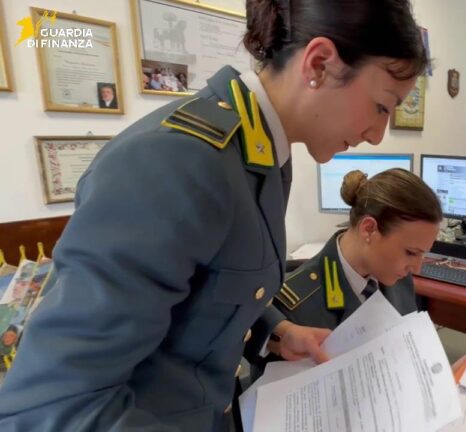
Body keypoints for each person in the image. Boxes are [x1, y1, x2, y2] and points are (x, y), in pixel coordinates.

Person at [0, 0, 427, 430]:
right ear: (318, 63)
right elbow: (54, 407)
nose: (377, 136)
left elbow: (216, 281)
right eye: (381, 106)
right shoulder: (176, 162)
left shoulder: (259, 151)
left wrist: (277, 332)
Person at [246, 168, 442, 378]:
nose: (417, 267)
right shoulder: (293, 305)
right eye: (411, 252)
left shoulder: (398, 278)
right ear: (368, 229)